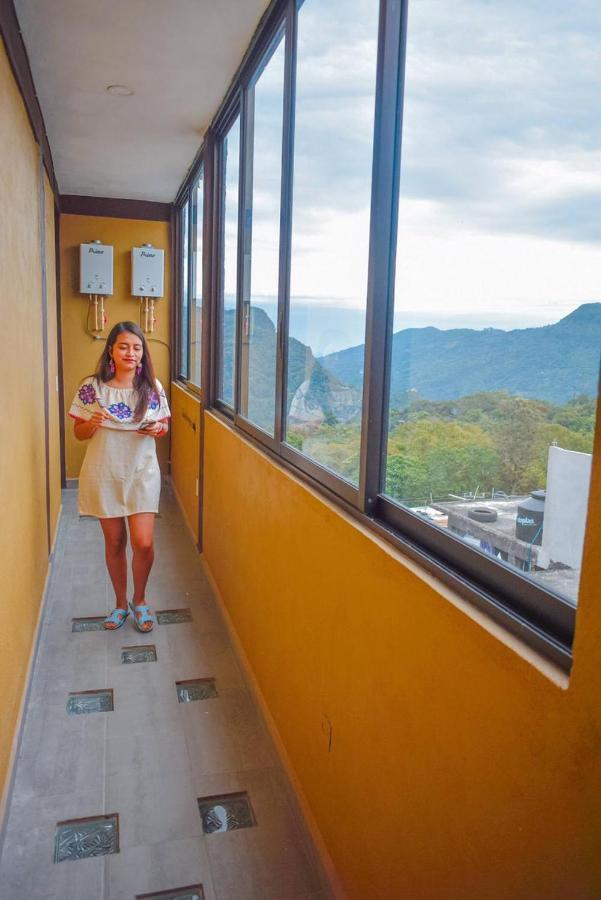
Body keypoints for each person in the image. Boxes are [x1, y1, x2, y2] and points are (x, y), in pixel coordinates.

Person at [68, 321, 171, 632]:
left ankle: (139, 601)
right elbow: (79, 433)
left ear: (142, 354)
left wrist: (157, 428)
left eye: (137, 347)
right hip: (105, 472)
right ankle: (119, 603)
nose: (131, 352)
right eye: (124, 346)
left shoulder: (152, 387)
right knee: (114, 543)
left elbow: (162, 427)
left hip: (142, 472)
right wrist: (94, 422)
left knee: (143, 543)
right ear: (111, 349)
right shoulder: (92, 388)